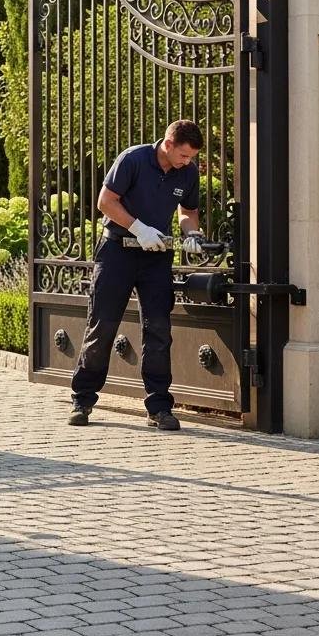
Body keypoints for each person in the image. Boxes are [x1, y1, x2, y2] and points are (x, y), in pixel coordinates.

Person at [68, 120, 207, 431]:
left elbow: (188, 210)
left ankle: (158, 407)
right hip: (117, 250)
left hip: (156, 255)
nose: (189, 162)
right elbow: (106, 202)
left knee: (158, 328)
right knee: (102, 325)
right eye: (184, 155)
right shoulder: (133, 159)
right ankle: (82, 399)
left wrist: (193, 233)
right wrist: (138, 228)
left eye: (192, 157)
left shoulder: (187, 172)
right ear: (168, 144)